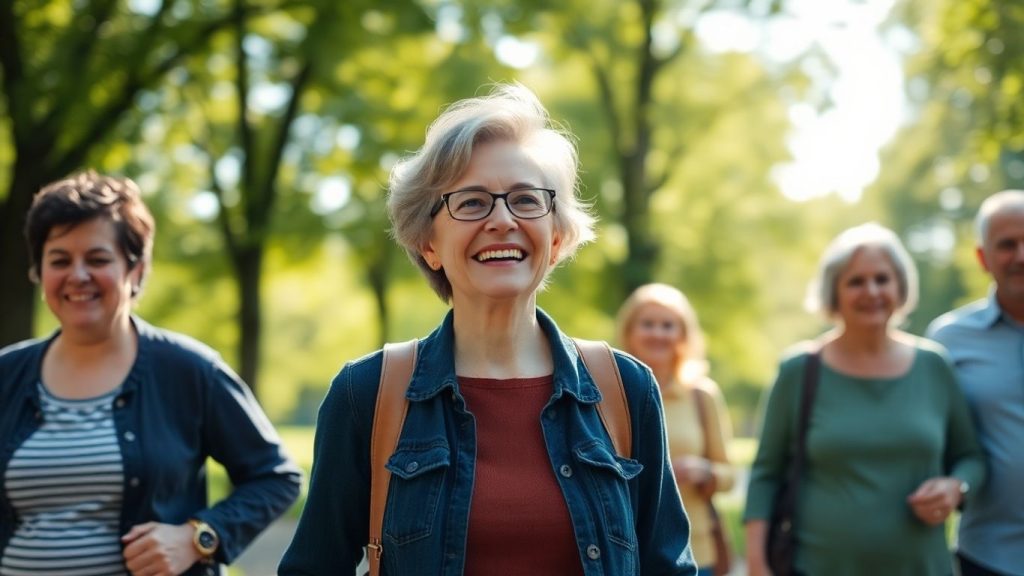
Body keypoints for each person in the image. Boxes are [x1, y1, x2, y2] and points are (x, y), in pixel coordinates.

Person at [278, 84, 697, 575]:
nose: (502, 220)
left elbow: (669, 567)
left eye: (525, 199)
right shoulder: (366, 393)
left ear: (557, 236)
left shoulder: (625, 389)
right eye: (473, 203)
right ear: (428, 244)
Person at [0, 171, 302, 576]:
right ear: (39, 272)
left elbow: (275, 477)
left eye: (97, 258)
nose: (78, 275)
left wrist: (199, 537)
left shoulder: (189, 370)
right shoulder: (7, 374)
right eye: (59, 260)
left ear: (136, 270)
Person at [743, 222, 986, 576]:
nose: (871, 291)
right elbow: (766, 473)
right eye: (855, 281)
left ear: (900, 287)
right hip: (818, 567)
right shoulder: (799, 370)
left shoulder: (934, 365)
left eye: (882, 279)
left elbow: (971, 457)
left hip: (922, 568)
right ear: (834, 293)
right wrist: (756, 564)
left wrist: (956, 487)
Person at [927, 189, 1024, 576]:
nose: (1021, 256)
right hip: (987, 555)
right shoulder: (948, 340)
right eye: (1006, 245)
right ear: (983, 257)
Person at [617, 283, 735, 576]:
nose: (658, 333)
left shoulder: (701, 395)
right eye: (648, 324)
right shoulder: (610, 389)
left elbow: (730, 475)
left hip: (694, 553)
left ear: (683, 334)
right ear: (630, 331)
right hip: (625, 547)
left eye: (668, 325)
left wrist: (704, 471)